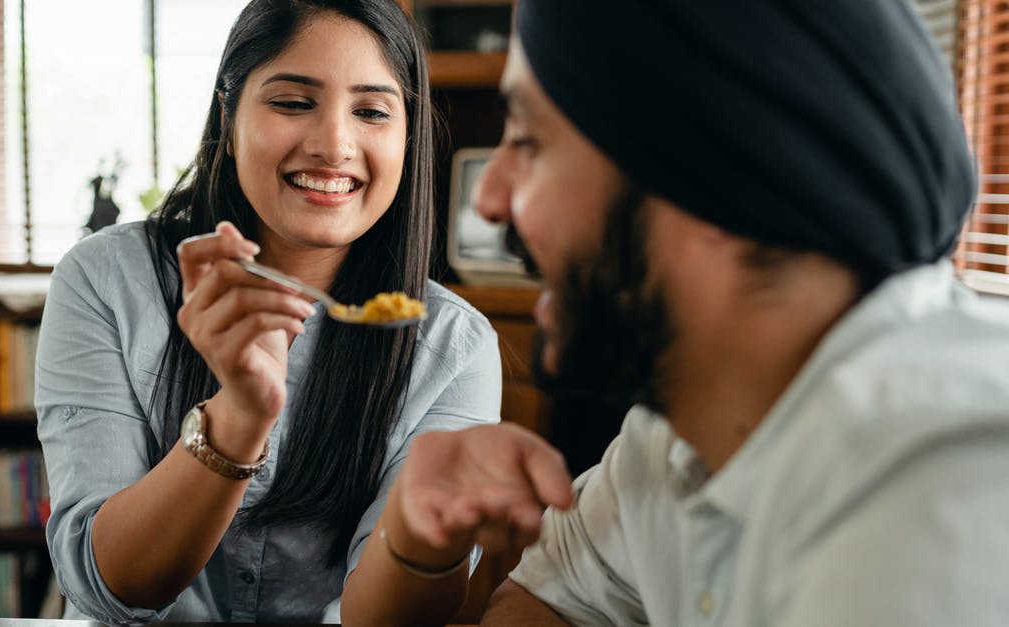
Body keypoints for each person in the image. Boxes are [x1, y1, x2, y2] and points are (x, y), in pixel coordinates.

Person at [377, 1, 1009, 625]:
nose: (488, 198)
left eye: (528, 141)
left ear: (711, 175)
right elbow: (542, 603)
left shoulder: (944, 490)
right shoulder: (679, 432)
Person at [34, 1, 502, 624]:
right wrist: (239, 416)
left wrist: (433, 528)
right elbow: (108, 587)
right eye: (292, 102)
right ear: (228, 118)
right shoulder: (104, 281)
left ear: (407, 135)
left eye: (371, 111)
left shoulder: (454, 345)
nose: (334, 145)